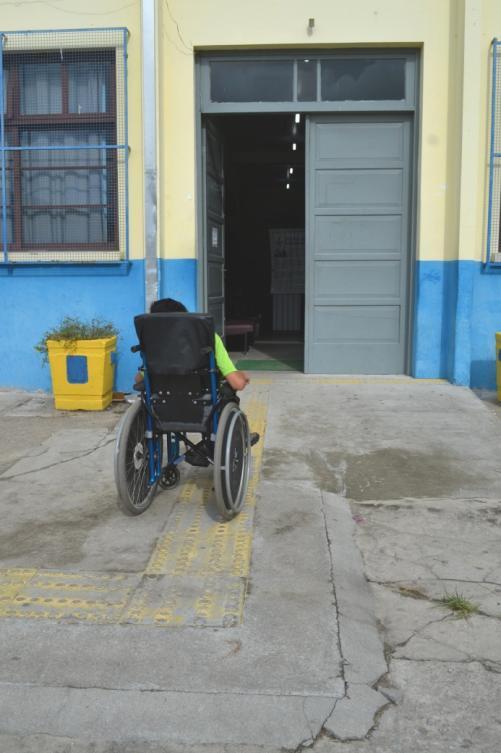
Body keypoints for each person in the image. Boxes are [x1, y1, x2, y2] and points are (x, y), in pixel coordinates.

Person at [136, 298, 259, 464]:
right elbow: (237, 383)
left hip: (161, 410)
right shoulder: (209, 339)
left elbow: (138, 380)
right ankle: (215, 445)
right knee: (227, 392)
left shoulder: (154, 345)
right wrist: (243, 378)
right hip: (202, 409)